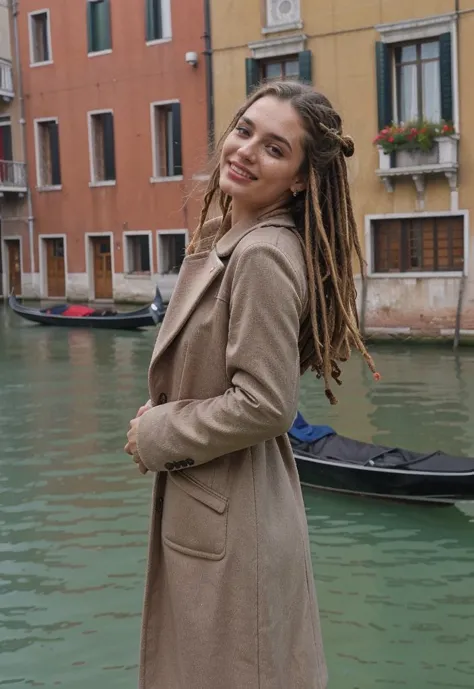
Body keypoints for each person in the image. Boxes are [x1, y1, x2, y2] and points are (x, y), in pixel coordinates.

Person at [125, 80, 378, 689]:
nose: (245, 151)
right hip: (223, 509)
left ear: (297, 179)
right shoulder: (228, 239)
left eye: (274, 148)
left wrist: (158, 429)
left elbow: (266, 404)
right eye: (244, 131)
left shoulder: (262, 254)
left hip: (232, 521)